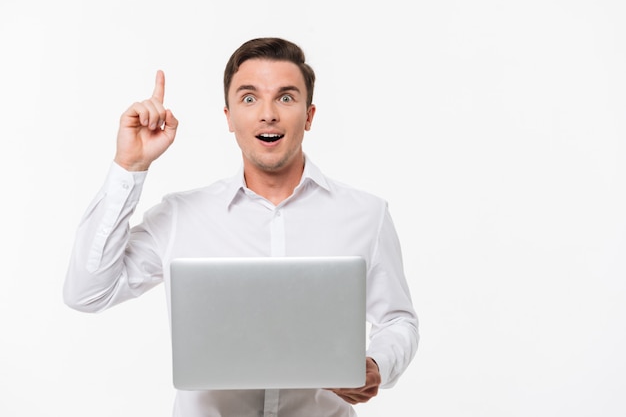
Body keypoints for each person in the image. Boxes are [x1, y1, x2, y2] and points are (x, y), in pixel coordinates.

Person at [64, 37, 418, 417]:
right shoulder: (181, 216)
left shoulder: (366, 213)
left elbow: (398, 320)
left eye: (285, 97)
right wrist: (129, 165)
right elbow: (86, 292)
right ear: (229, 117)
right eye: (249, 98)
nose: (268, 114)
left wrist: (377, 364)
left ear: (309, 115)